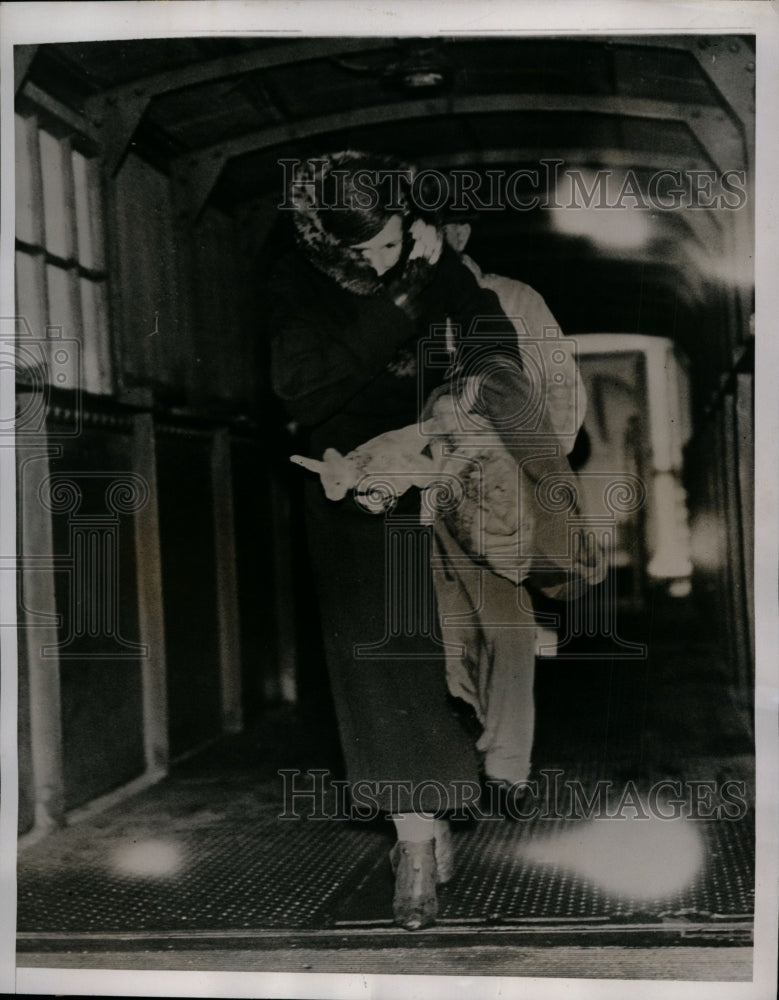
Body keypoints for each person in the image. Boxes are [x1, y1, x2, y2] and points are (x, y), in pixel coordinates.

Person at [267, 151, 601, 930]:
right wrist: (401, 301)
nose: (385, 260)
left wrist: (450, 434)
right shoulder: (296, 283)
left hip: (455, 485)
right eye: (364, 254)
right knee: (389, 674)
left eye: (394, 240)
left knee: (483, 645)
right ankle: (414, 844)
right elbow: (301, 388)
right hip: (352, 491)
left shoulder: (452, 274)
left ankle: (480, 780)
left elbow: (501, 363)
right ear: (325, 245)